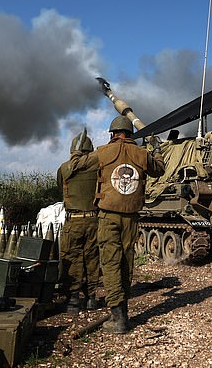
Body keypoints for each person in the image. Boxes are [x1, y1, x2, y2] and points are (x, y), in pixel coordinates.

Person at [70, 115, 165, 333]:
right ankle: (123, 312)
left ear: (113, 134)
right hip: (131, 216)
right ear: (130, 134)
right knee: (125, 261)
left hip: (108, 215)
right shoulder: (142, 154)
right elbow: (159, 169)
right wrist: (156, 148)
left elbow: (76, 165)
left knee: (110, 263)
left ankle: (118, 318)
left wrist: (77, 147)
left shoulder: (103, 152)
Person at [57, 132, 101, 313]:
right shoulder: (97, 167)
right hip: (94, 219)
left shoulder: (64, 168)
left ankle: (73, 300)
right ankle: (91, 298)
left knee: (71, 257)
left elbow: (61, 187)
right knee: (92, 257)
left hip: (73, 221)